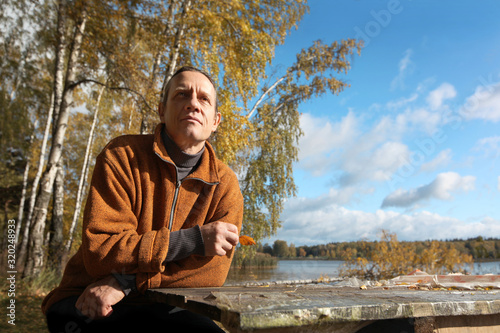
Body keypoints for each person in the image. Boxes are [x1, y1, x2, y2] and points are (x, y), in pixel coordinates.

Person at [42, 66, 244, 332]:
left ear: (215, 120)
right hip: (88, 293)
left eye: (203, 98)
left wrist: (126, 282)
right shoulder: (122, 156)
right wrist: (194, 241)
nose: (193, 103)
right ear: (162, 110)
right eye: (182, 95)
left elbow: (211, 274)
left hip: (162, 302)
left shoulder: (225, 184)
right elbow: (101, 251)